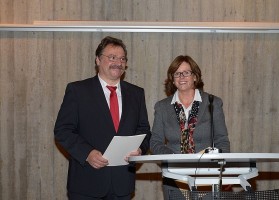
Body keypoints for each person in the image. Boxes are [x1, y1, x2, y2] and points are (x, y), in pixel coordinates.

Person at [54, 36, 151, 200]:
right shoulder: (77, 91)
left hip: (122, 185)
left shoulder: (136, 93)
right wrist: (87, 153)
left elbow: (144, 130)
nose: (118, 62)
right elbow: (63, 131)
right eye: (112, 57)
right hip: (86, 184)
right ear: (98, 60)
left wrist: (139, 150)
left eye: (122, 59)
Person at [150, 55, 230, 199]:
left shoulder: (213, 103)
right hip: (174, 176)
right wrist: (173, 158)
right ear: (172, 79)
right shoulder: (162, 107)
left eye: (186, 72)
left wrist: (220, 167)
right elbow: (155, 142)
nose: (182, 77)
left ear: (195, 76)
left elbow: (222, 140)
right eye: (177, 73)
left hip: (209, 176)